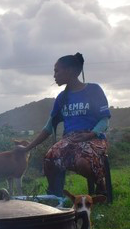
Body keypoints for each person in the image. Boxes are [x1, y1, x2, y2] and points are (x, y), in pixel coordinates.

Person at [17, 52, 111, 197]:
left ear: (70, 71)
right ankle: (55, 194)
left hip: (93, 137)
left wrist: (90, 134)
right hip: (70, 140)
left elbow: (104, 120)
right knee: (50, 158)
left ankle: (101, 187)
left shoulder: (94, 90)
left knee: (82, 163)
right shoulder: (62, 98)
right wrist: (27, 148)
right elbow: (48, 128)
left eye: (57, 71)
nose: (54, 75)